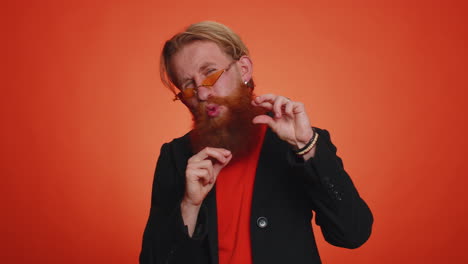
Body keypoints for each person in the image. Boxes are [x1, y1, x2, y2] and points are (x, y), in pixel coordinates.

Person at [140, 21, 373, 264]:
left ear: (243, 69)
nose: (202, 93)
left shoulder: (298, 142)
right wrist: (189, 205)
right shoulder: (176, 157)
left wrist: (306, 147)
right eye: (188, 86)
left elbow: (352, 234)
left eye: (210, 73)